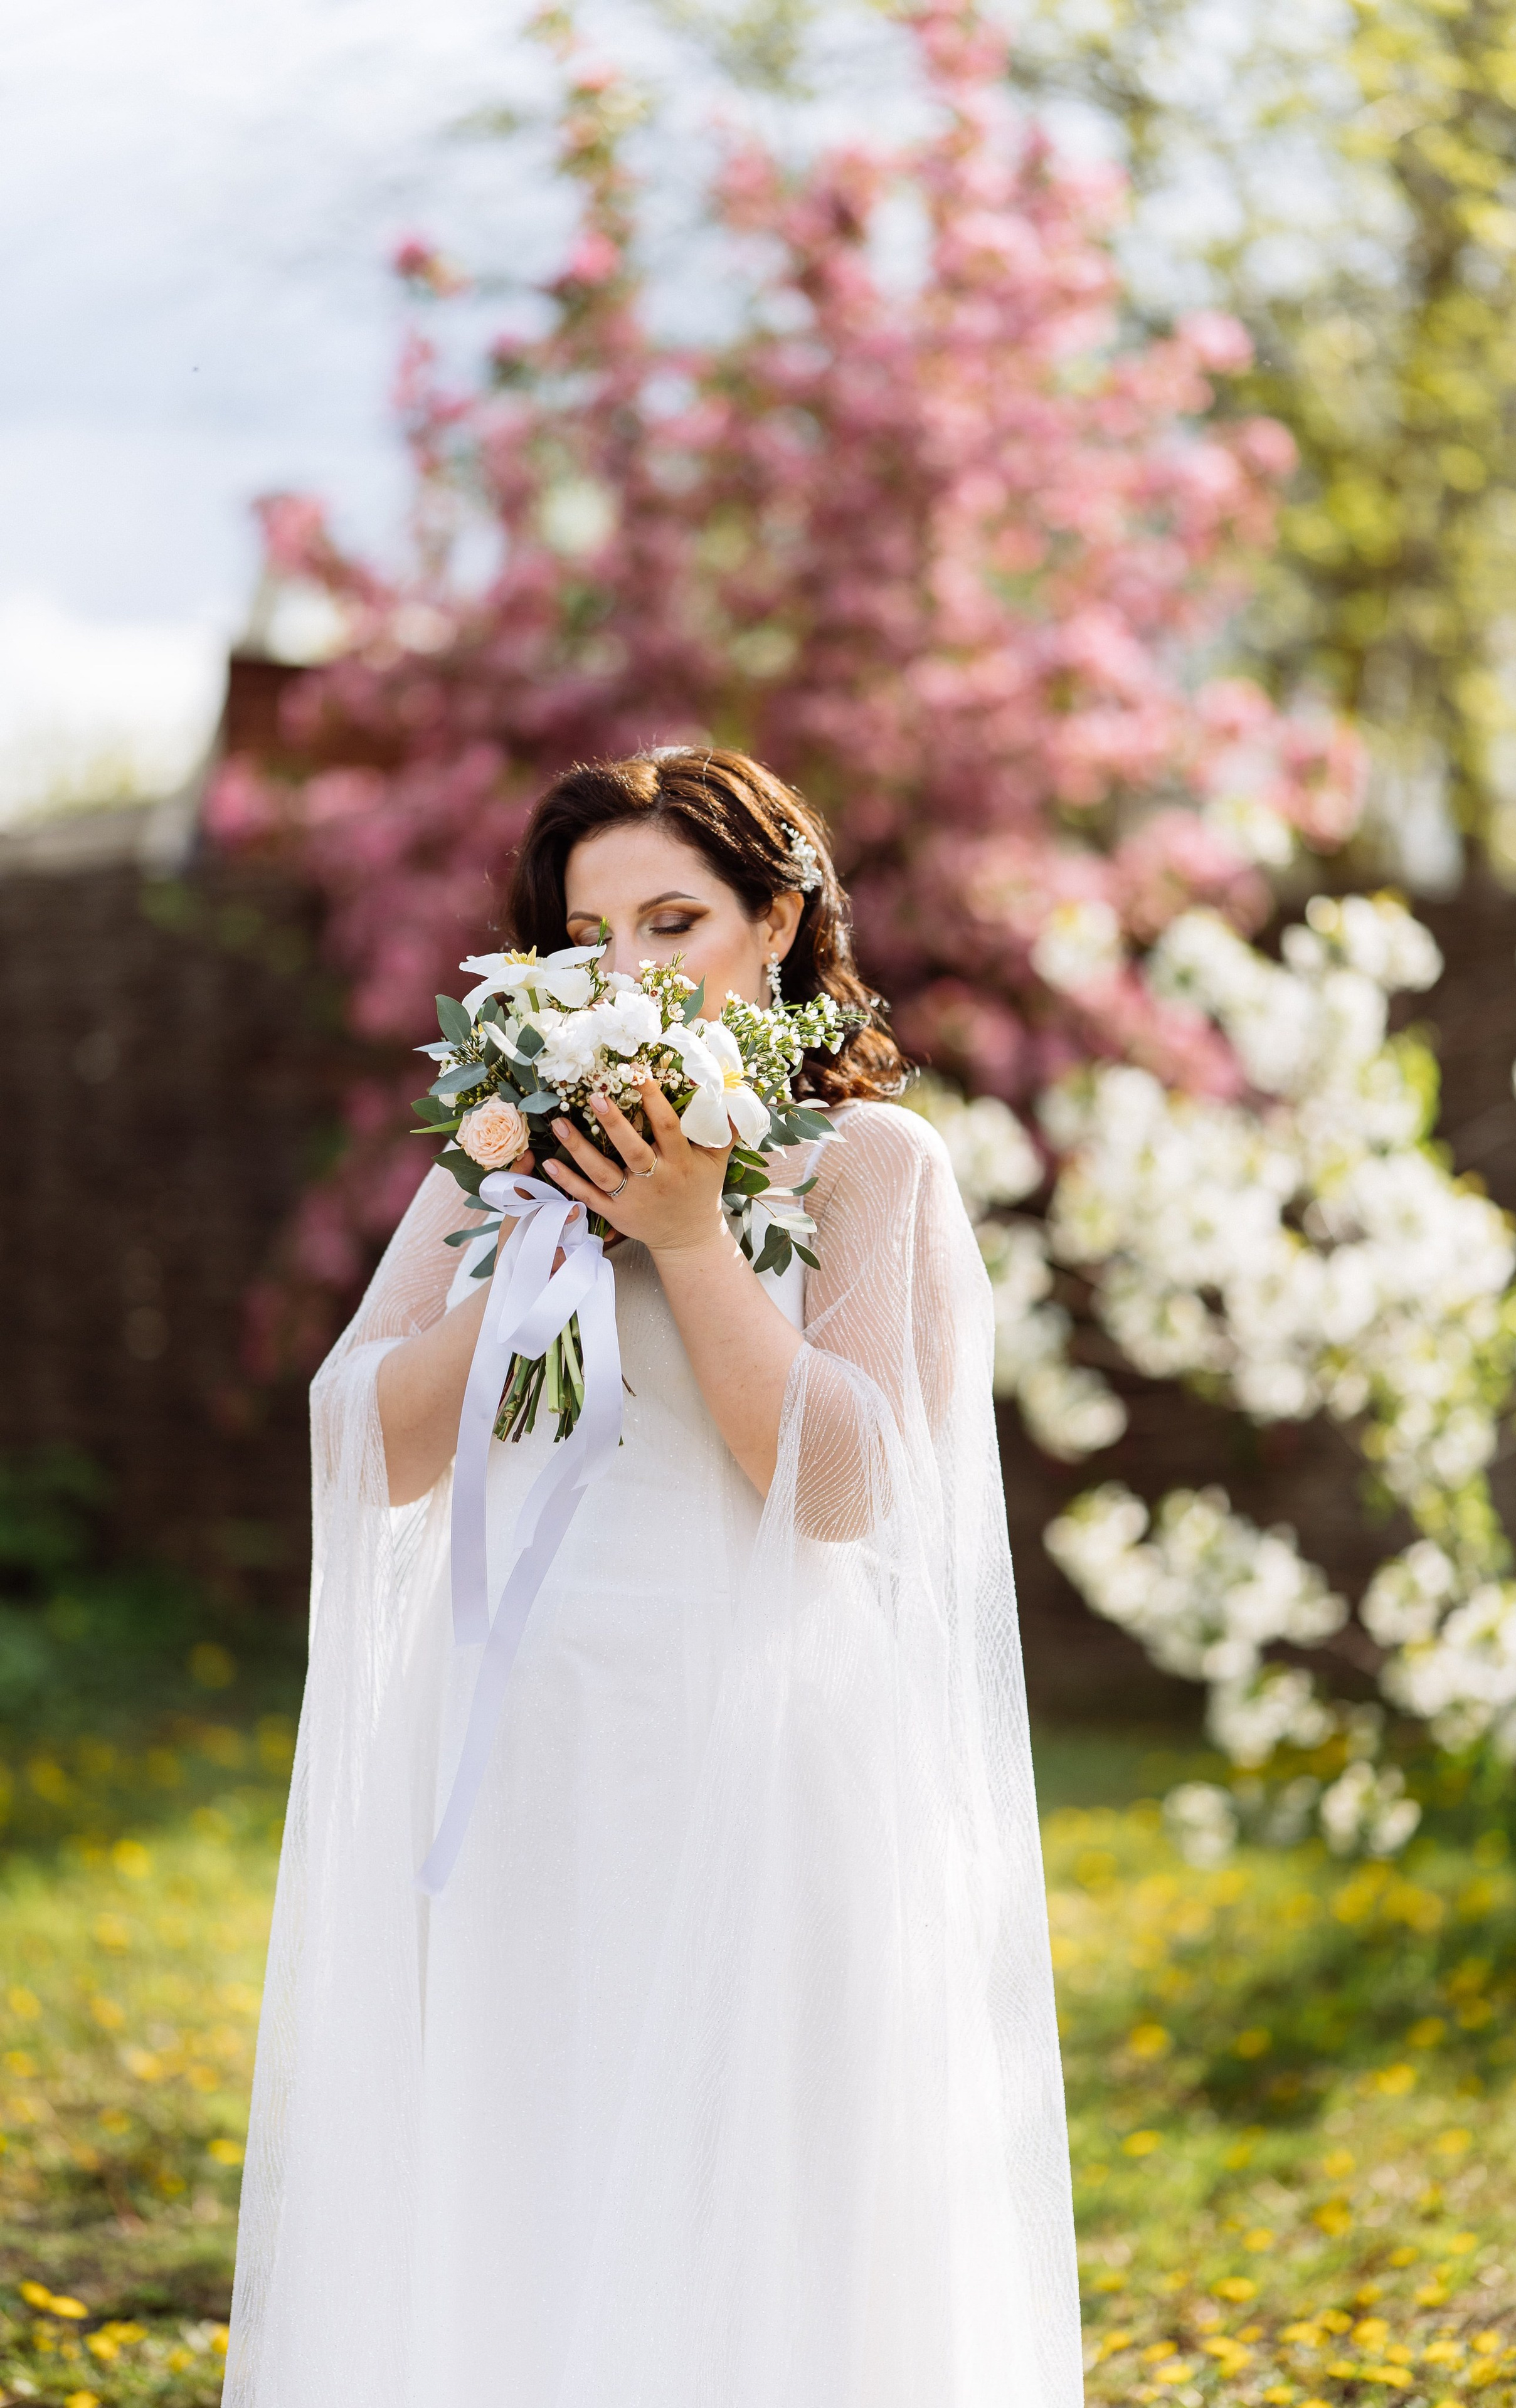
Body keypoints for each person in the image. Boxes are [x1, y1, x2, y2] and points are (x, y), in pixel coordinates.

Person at [222, 746, 1081, 2408]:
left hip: (750, 1749)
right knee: (515, 2152)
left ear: (776, 925)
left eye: (675, 918)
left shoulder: (869, 1169)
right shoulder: (489, 1166)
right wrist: (542, 1243)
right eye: (585, 933)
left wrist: (689, 1241)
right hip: (510, 1743)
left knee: (745, 2179)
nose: (628, 969)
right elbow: (367, 1440)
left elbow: (844, 1491)